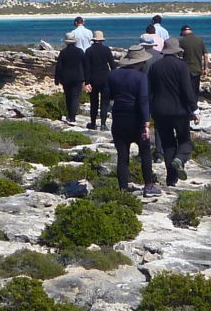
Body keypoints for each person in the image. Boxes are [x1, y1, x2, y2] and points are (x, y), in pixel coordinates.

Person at [147, 39, 200, 186]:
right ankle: (180, 159)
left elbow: (150, 90)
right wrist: (194, 109)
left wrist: (148, 111)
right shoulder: (182, 66)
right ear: (177, 51)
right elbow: (187, 90)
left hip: (160, 111)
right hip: (179, 110)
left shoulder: (155, 66)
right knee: (185, 141)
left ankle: (171, 180)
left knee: (168, 144)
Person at [106, 45, 158, 194]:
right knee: (145, 152)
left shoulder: (113, 74)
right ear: (140, 62)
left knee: (122, 156)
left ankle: (123, 188)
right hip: (136, 119)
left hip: (119, 118)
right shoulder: (141, 77)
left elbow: (108, 96)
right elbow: (143, 100)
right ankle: (148, 186)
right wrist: (146, 124)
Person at [83, 29, 115, 129]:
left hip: (93, 78)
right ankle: (103, 124)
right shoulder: (106, 50)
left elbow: (86, 68)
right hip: (105, 78)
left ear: (93, 40)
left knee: (94, 102)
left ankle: (93, 123)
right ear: (102, 40)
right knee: (105, 102)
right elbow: (112, 65)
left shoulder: (88, 51)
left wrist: (87, 82)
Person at [53, 37, 87, 122]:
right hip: (78, 77)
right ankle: (72, 117)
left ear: (66, 43)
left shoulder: (63, 52)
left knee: (68, 96)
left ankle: (69, 114)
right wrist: (86, 78)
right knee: (75, 97)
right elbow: (85, 65)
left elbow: (59, 67)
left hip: (66, 78)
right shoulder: (80, 51)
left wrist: (57, 79)